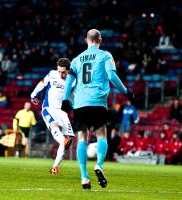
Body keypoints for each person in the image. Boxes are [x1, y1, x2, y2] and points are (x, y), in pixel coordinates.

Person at [61, 29, 135, 189]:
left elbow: (69, 81)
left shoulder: (76, 59)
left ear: (86, 41)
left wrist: (65, 99)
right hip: (98, 102)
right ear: (100, 40)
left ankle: (84, 177)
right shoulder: (106, 56)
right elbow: (112, 76)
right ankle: (99, 165)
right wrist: (126, 92)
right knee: (101, 135)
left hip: (80, 103)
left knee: (82, 137)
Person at [30, 58, 75, 175]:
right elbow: (41, 84)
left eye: (64, 72)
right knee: (54, 127)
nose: (61, 74)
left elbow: (72, 97)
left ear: (68, 70)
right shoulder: (52, 74)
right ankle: (61, 141)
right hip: (49, 108)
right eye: (59, 71)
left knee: (69, 138)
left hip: (62, 112)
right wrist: (33, 95)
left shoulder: (73, 81)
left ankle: (55, 167)